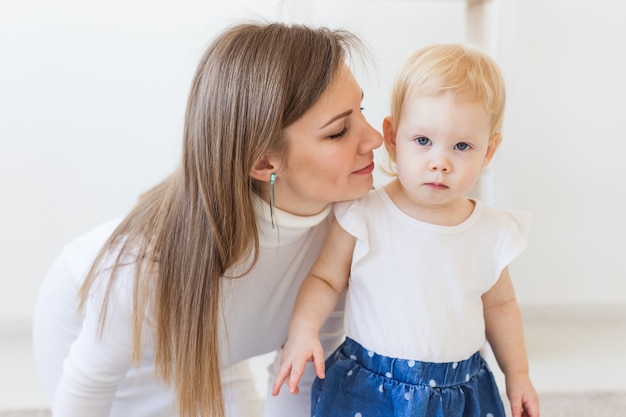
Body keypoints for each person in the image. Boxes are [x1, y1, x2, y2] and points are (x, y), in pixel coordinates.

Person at [32, 21, 383, 417]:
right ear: (264, 162)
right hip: (97, 339)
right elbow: (88, 387)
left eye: (362, 111)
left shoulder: (347, 228)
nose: (375, 138)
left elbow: (300, 378)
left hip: (209, 353)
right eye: (338, 132)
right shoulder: (145, 267)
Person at [272, 43, 541, 417]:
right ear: (393, 136)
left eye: (462, 146)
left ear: (489, 151)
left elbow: (500, 305)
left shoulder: (491, 232)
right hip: (371, 386)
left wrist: (518, 374)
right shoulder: (365, 213)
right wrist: (303, 332)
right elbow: (325, 280)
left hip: (458, 389)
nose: (440, 163)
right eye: (423, 141)